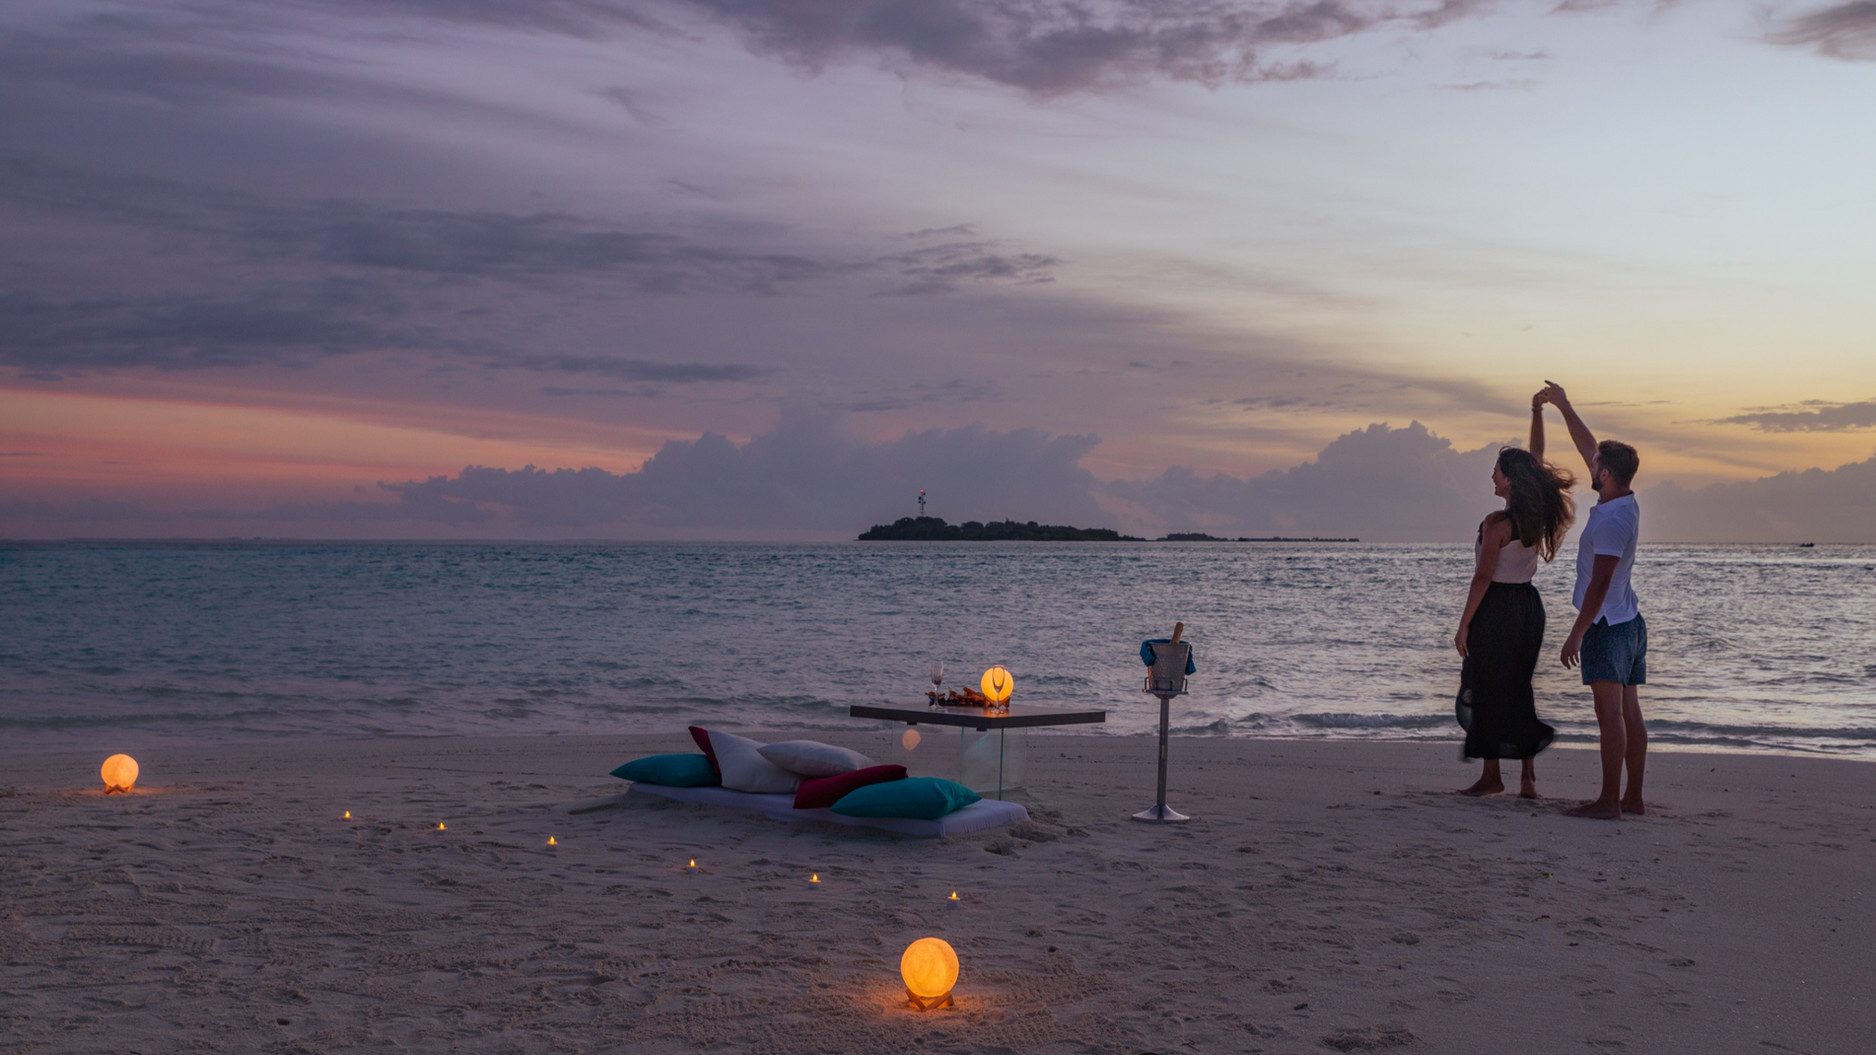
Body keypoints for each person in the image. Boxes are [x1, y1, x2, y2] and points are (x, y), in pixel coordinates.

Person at [1454, 388, 1576, 798]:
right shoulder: (1535, 512)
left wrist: (1463, 626)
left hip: (1497, 608)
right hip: (1528, 606)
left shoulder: (1497, 523)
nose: (1491, 476)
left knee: (1485, 686)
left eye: (1496, 471)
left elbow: (1482, 578)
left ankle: (1492, 777)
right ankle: (1526, 779)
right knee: (1519, 685)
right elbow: (1536, 458)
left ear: (1508, 479)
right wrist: (1536, 411)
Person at [1540, 381, 1647, 820]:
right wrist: (1564, 405)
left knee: (1611, 717)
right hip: (1630, 621)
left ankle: (1609, 802)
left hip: (1606, 625)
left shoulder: (1610, 523)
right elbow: (1590, 447)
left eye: (1595, 464)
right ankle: (1633, 799)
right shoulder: (1622, 500)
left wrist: (1576, 634)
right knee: (1629, 711)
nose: (1589, 463)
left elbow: (1599, 585)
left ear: (1604, 475)